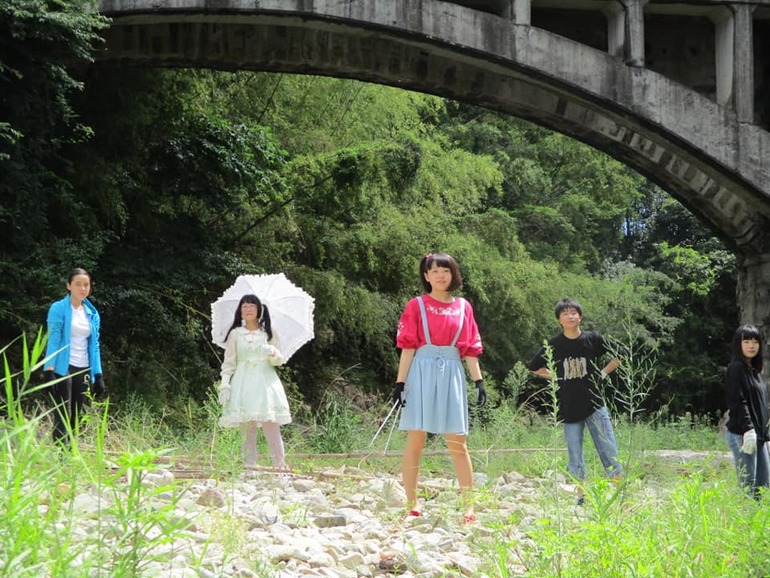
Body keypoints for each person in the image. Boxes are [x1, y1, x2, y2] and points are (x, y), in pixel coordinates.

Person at [393, 252, 486, 523]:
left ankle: (469, 507)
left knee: (458, 442)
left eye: (445, 270)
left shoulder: (463, 307)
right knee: (416, 439)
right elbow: (408, 347)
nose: (440, 275)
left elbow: (469, 348)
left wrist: (478, 381)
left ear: (453, 274)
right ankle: (412, 504)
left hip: (453, 370)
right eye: (434, 271)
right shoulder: (416, 305)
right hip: (421, 369)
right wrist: (400, 383)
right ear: (426, 276)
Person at [527, 298, 622, 503]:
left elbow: (619, 354)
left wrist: (603, 373)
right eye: (565, 313)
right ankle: (581, 497)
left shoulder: (593, 339)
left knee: (608, 449)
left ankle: (619, 494)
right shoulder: (553, 345)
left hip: (595, 404)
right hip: (569, 407)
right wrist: (555, 377)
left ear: (580, 316)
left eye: (574, 313)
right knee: (575, 455)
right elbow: (534, 367)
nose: (570, 316)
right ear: (559, 319)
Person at [218, 294, 291, 469]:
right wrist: (225, 383)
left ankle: (280, 465)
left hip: (265, 381)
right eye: (244, 306)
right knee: (246, 424)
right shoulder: (235, 334)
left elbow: (279, 360)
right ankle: (249, 465)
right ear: (240, 311)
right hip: (243, 381)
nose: (248, 309)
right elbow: (229, 362)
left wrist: (272, 352)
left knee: (271, 423)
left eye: (252, 306)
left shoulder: (268, 333)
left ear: (259, 310)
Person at [44, 268, 106, 445]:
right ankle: (60, 454)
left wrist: (98, 375)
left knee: (77, 415)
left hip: (84, 367)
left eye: (86, 284)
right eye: (78, 284)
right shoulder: (58, 308)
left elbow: (94, 345)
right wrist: (49, 370)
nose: (82, 288)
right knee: (64, 413)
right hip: (63, 367)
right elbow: (53, 340)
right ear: (69, 286)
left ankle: (71, 452)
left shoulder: (92, 313)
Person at [724, 324, 769, 499]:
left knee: (764, 486)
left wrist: (766, 433)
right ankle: (744, 515)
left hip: (759, 435)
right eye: (747, 341)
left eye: (755, 341)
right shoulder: (736, 368)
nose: (751, 345)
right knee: (748, 486)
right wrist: (748, 429)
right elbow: (737, 401)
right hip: (743, 434)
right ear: (739, 344)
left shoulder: (754, 371)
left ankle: (756, 517)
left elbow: (760, 405)